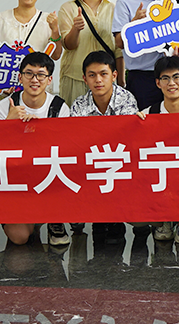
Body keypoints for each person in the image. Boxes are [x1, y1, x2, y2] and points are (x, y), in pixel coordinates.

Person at [0, 52, 72, 247]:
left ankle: (55, 218)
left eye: (41, 75)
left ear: (49, 80)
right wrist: (10, 124)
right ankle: (28, 217)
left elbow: (64, 148)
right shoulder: (4, 107)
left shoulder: (60, 108)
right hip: (16, 178)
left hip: (47, 173)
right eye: (29, 74)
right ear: (20, 77)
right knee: (19, 237)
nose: (35, 80)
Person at [135, 56, 179, 250]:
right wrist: (134, 126)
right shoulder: (147, 115)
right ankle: (164, 220)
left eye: (177, 77)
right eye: (165, 78)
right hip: (161, 178)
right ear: (158, 83)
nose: (171, 83)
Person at [70, 49, 138, 246]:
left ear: (114, 75)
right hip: (92, 163)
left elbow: (127, 141)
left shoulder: (126, 99)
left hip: (118, 163)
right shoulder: (79, 105)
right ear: (85, 79)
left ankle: (115, 218)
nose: (98, 80)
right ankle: (95, 216)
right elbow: (76, 143)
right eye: (92, 75)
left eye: (103, 74)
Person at [57, 0, 122, 104]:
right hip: (75, 77)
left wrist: (122, 82)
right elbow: (68, 45)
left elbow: (118, 50)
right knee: (75, 117)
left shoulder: (113, 8)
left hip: (105, 79)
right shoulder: (68, 8)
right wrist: (76, 29)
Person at [114, 0, 168, 110]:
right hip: (142, 78)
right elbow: (119, 43)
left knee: (171, 121)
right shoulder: (125, 2)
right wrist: (134, 25)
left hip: (170, 75)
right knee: (143, 121)